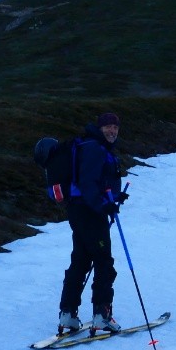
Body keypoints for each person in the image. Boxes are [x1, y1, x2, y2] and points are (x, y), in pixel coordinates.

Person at [58, 112, 130, 334]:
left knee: (80, 259)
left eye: (115, 127)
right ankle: (101, 316)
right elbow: (88, 183)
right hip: (89, 213)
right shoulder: (94, 149)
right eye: (108, 127)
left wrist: (114, 199)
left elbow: (97, 183)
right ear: (99, 129)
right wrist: (102, 206)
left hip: (81, 211)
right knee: (103, 262)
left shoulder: (95, 147)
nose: (112, 131)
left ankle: (68, 315)